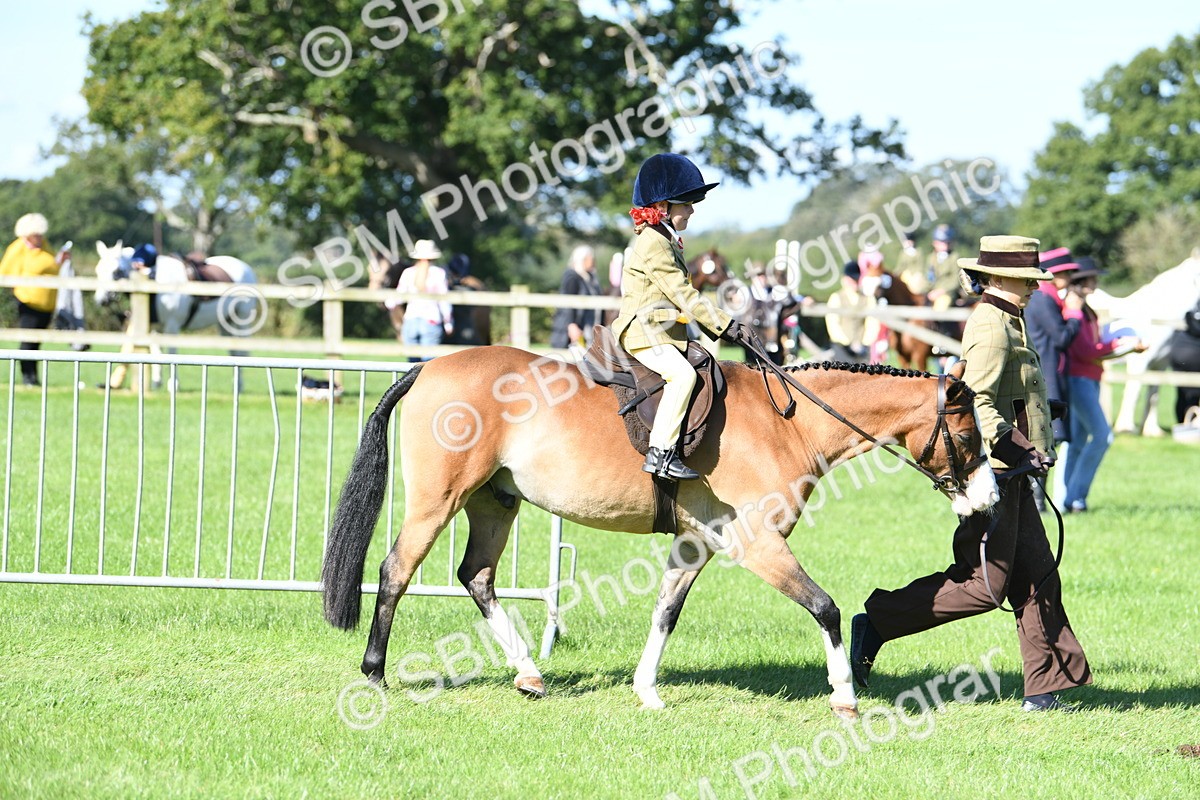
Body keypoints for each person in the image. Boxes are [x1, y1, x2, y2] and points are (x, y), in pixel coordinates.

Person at [851, 235, 1092, 713]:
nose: (1033, 288)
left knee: (1038, 578)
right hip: (993, 476)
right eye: (1026, 281)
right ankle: (876, 622)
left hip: (1015, 472)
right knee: (983, 586)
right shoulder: (992, 326)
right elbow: (974, 403)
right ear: (999, 278)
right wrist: (1019, 442)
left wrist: (1043, 412)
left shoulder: (1010, 319)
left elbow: (1006, 391)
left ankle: (1045, 690)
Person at [611, 153, 757, 481]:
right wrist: (727, 325)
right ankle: (661, 454)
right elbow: (684, 295)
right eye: (686, 204)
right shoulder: (654, 244)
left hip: (662, 331)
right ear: (662, 207)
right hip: (644, 332)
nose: (691, 210)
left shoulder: (666, 240)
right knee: (683, 376)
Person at [1060, 257, 1146, 512]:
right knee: (1102, 436)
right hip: (1079, 378)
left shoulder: (1086, 310)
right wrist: (1121, 344)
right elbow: (1085, 350)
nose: (1096, 282)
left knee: (1078, 440)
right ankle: (1075, 497)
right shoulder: (1073, 309)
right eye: (1092, 278)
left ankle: (1067, 498)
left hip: (1089, 377)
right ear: (1081, 281)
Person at [1025, 247, 1086, 510]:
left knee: (1048, 440)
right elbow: (1061, 338)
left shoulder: (1044, 298)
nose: (1070, 279)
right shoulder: (1043, 299)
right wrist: (1074, 313)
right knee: (1044, 440)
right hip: (1046, 376)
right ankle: (1037, 502)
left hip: (1050, 374)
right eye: (1067, 273)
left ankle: (1039, 501)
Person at [0, 213, 62, 386]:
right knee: (28, 341)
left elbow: (52, 266)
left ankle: (33, 378)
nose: (40, 238)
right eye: (37, 235)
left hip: (47, 303)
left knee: (36, 342)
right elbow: (5, 272)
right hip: (28, 302)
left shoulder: (45, 246)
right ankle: (28, 377)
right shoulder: (18, 248)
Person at [392, 239, 453, 361]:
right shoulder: (439, 273)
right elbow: (444, 301)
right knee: (427, 366)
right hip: (431, 321)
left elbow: (396, 298)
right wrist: (448, 322)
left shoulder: (408, 273)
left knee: (411, 367)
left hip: (410, 322)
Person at [550, 245, 601, 350]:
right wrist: (571, 325)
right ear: (582, 260)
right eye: (590, 259)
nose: (593, 262)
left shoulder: (590, 278)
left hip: (587, 328)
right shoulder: (571, 276)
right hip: (572, 328)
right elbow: (567, 302)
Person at [824, 261, 875, 363]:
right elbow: (833, 323)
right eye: (852, 279)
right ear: (845, 279)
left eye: (856, 279)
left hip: (862, 348)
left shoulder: (868, 298)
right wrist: (847, 343)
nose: (855, 282)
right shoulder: (836, 298)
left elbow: (872, 322)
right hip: (842, 348)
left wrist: (864, 342)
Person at [1168, 298, 1200, 422]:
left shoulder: (1192, 304)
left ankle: (1184, 424)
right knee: (1191, 394)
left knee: (1183, 394)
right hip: (1191, 354)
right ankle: (1189, 425)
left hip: (1179, 352)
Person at [895, 231, 927, 296]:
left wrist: (917, 274)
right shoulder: (903, 253)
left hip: (916, 274)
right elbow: (900, 266)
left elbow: (920, 265)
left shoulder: (918, 252)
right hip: (905, 274)